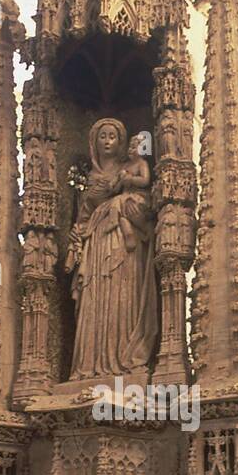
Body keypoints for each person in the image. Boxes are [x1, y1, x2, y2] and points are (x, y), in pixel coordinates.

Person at [65, 118, 158, 378]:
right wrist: (78, 231)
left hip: (123, 245)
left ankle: (124, 360)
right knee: (94, 301)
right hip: (96, 245)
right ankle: (90, 364)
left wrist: (119, 204)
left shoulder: (128, 169)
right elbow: (84, 216)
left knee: (122, 296)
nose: (107, 141)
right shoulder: (90, 178)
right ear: (94, 143)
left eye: (113, 136)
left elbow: (144, 203)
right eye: (102, 136)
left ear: (121, 142)